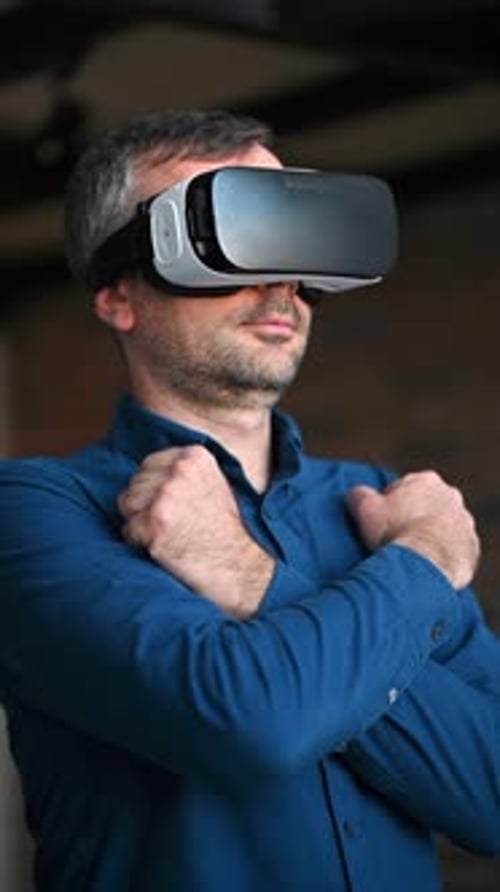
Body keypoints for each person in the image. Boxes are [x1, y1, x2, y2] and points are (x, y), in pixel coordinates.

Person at [0, 108, 498, 892]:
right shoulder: (32, 515)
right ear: (119, 295)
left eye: (291, 236)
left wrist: (250, 579)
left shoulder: (376, 504)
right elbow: (254, 725)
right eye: (227, 241)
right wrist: (426, 562)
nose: (278, 282)